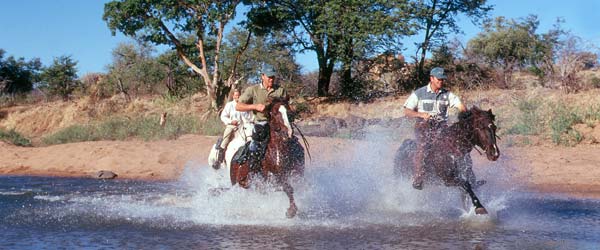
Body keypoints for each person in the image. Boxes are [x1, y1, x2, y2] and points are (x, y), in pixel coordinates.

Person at [403, 67, 468, 190]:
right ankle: (418, 177)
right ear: (431, 78)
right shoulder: (419, 93)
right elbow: (407, 111)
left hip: (442, 128)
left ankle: (467, 174)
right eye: (439, 79)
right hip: (423, 128)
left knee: (459, 145)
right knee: (423, 146)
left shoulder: (447, 95)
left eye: (443, 79)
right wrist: (421, 115)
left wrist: (463, 111)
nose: (441, 81)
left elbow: (460, 106)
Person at [236, 64, 290, 169]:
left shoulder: (281, 91)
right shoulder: (253, 90)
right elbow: (238, 106)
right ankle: (251, 170)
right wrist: (254, 106)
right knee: (255, 147)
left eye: (273, 76)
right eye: (269, 76)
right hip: (262, 123)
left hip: (279, 124)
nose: (271, 79)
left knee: (295, 144)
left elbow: (287, 105)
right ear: (262, 76)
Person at [213, 89, 253, 169]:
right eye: (235, 95)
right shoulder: (229, 105)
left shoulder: (244, 105)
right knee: (226, 139)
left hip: (244, 126)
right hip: (233, 125)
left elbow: (249, 117)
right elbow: (223, 116)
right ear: (233, 96)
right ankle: (219, 160)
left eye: (238, 95)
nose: (237, 97)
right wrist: (231, 121)